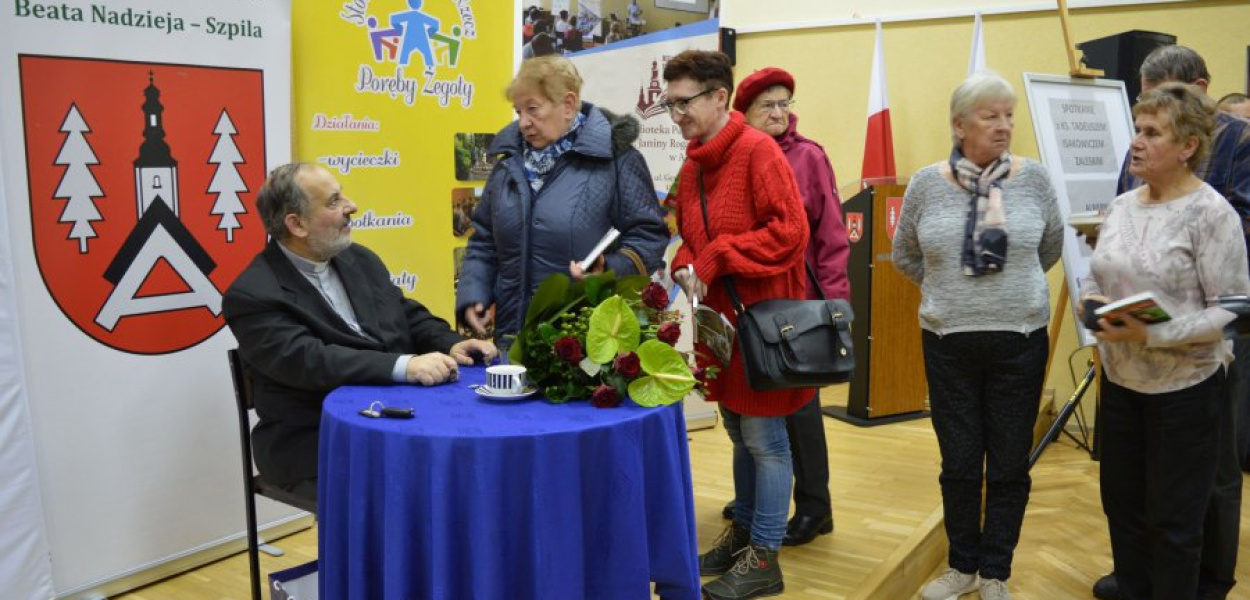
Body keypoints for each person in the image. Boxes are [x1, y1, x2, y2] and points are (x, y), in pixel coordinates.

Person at [223, 163, 497, 503]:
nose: (352, 207)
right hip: (318, 439)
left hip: (398, 416)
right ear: (297, 224)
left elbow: (405, 314)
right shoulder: (253, 294)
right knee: (424, 486)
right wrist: (405, 366)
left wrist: (451, 342)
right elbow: (313, 361)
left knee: (472, 462)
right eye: (334, 202)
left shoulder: (358, 259)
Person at [892, 71, 1063, 600]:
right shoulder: (925, 183)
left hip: (1020, 341)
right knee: (960, 462)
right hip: (948, 344)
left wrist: (1009, 291)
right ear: (959, 124)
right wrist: (948, 291)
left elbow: (1049, 248)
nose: (1004, 125)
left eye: (1009, 115)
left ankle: (996, 572)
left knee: (1009, 464)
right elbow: (905, 255)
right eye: (990, 116)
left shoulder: (1032, 179)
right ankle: (962, 565)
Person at [1082, 82, 1250, 600]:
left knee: (1174, 521)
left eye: (1152, 132)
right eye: (1137, 129)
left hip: (1186, 393)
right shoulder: (1123, 205)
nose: (1136, 141)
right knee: (1124, 507)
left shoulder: (1211, 213)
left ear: (1187, 147)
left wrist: (1157, 333)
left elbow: (1235, 310)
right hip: (1120, 382)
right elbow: (1097, 274)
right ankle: (1134, 589)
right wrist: (1093, 305)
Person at [663, 49, 812, 600]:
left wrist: (719, 254)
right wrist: (684, 262)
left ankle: (765, 557)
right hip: (721, 324)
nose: (676, 114)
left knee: (765, 438)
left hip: (765, 323)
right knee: (735, 428)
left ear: (719, 97)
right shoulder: (694, 161)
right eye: (669, 104)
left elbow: (790, 233)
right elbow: (686, 238)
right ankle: (744, 530)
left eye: (684, 102)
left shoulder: (758, 152)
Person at [723, 66, 850, 547]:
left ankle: (816, 507)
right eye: (767, 106)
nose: (779, 113)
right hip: (751, 308)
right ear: (745, 113)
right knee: (752, 410)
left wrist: (835, 307)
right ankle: (756, 500)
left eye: (785, 104)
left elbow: (832, 238)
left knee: (800, 410)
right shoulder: (736, 156)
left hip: (800, 307)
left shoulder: (808, 157)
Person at [457, 56, 668, 344]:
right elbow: (484, 240)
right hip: (511, 338)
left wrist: (609, 269)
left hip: (585, 343)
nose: (524, 123)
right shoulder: (508, 165)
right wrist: (474, 294)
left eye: (533, 109)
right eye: (518, 111)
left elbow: (649, 236)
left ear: (568, 105)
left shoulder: (618, 160)